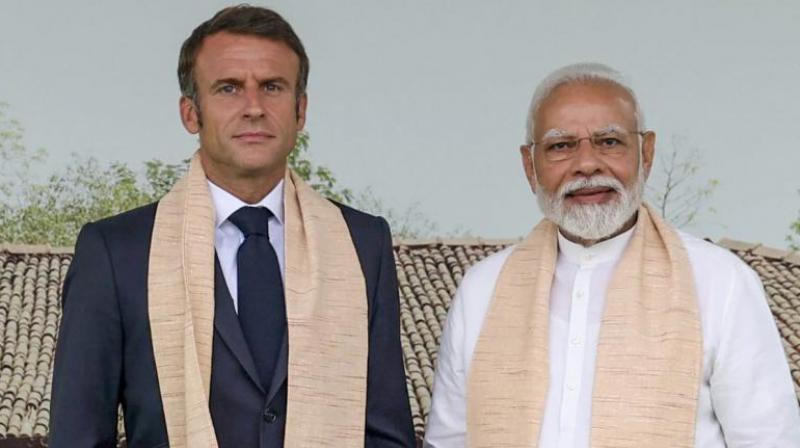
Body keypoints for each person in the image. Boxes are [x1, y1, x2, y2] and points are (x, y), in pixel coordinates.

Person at [49, 6, 415, 448]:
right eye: (228, 88)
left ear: (300, 110)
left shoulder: (362, 244)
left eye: (272, 87)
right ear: (190, 113)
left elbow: (386, 433)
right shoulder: (116, 252)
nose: (254, 107)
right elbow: (79, 437)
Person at [424, 63, 800, 447]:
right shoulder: (482, 290)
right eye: (561, 146)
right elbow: (449, 441)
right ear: (529, 166)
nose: (587, 164)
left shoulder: (719, 282)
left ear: (647, 152)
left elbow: (770, 439)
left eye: (608, 141)